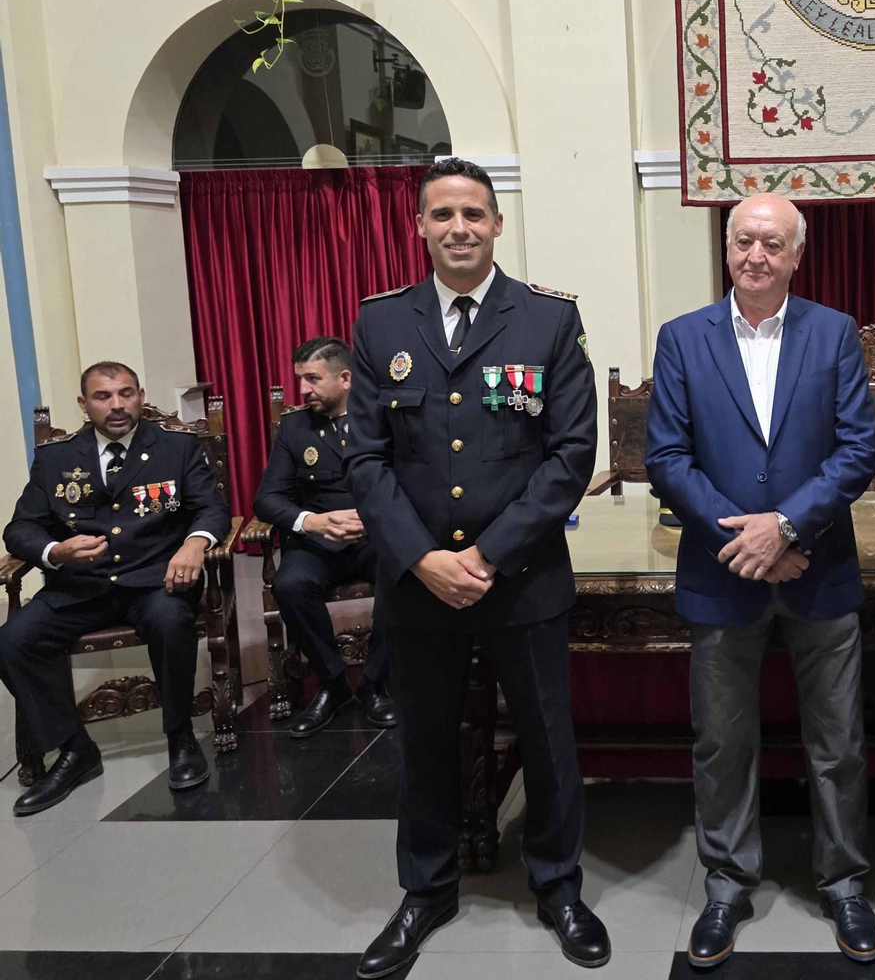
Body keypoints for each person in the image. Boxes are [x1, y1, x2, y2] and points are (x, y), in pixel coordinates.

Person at [344, 157, 608, 978]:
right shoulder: (380, 324)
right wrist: (423, 557)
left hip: (521, 581)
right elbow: (365, 458)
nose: (458, 227)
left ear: (497, 225)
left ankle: (558, 886)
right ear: (419, 227)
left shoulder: (547, 321)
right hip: (418, 587)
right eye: (441, 215)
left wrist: (487, 554)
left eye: (474, 214)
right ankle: (426, 890)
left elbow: (570, 456)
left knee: (547, 740)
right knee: (425, 742)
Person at [645, 194, 875, 969]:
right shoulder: (682, 338)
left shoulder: (834, 332)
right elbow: (668, 458)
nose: (756, 254)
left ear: (796, 254)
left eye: (772, 243)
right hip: (723, 575)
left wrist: (783, 527)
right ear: (727, 246)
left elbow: (856, 449)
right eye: (744, 240)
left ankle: (844, 883)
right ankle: (726, 883)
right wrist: (745, 538)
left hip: (819, 566)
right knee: (721, 742)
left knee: (838, 741)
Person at [0, 361, 228, 813]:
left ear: (141, 395)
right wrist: (54, 552)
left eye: (126, 393)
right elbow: (20, 528)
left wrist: (194, 544)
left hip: (155, 581)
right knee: (14, 640)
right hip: (81, 588)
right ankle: (73, 748)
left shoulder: (176, 448)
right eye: (103, 397)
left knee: (171, 621)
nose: (117, 404)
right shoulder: (56, 458)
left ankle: (180, 737)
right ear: (84, 405)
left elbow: (212, 509)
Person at [253, 336, 395, 735]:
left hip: (376, 535)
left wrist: (375, 518)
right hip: (318, 540)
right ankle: (333, 684)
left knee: (403, 573)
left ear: (345, 378)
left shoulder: (381, 417)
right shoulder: (295, 427)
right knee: (290, 585)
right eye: (300, 379)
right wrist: (312, 522)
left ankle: (374, 683)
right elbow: (267, 499)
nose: (303, 390)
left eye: (312, 379)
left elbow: (412, 481)